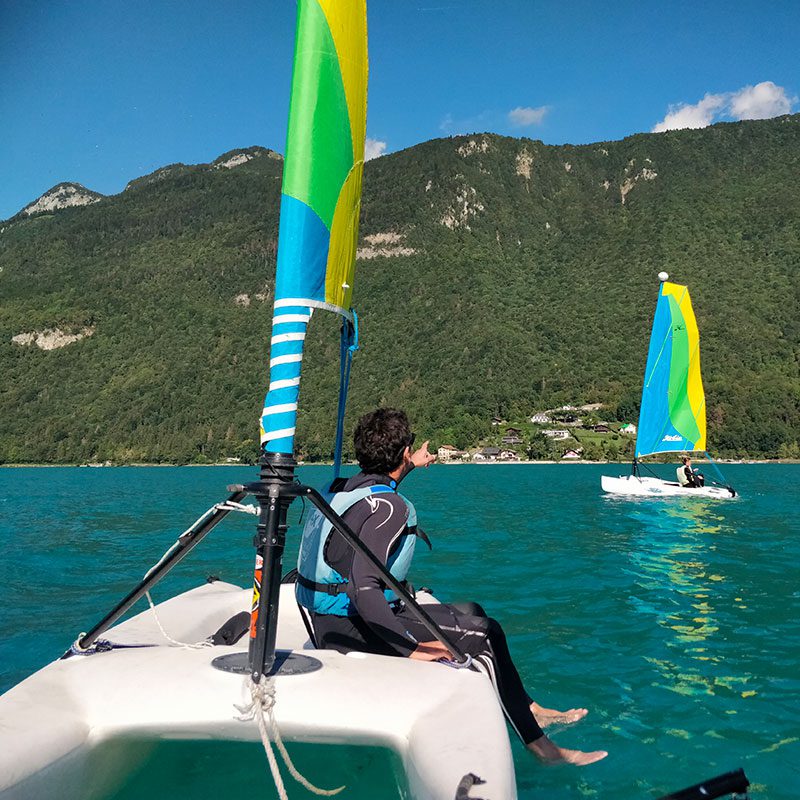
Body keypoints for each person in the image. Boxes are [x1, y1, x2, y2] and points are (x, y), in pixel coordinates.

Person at [296, 408, 607, 766]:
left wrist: (409, 464)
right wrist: (412, 648)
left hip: (325, 622)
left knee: (472, 611)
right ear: (401, 452)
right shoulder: (388, 509)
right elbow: (365, 591)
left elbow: (379, 489)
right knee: (487, 633)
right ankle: (541, 748)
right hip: (355, 629)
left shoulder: (342, 488)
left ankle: (530, 708)